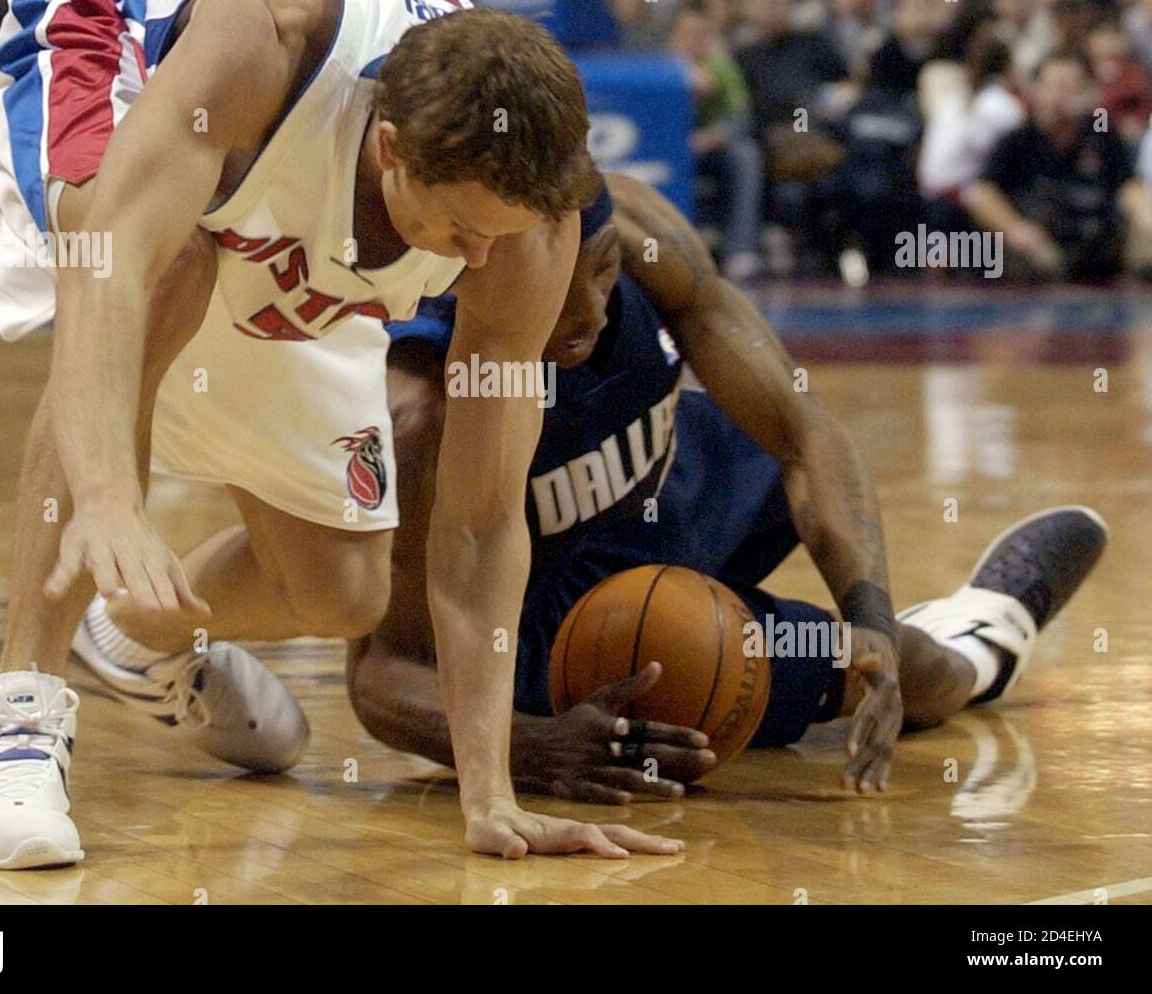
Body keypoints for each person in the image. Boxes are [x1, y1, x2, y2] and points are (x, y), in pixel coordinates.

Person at [0, 0, 677, 871]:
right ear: (389, 152)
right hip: (112, 48)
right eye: (460, 230)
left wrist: (490, 792)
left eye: (501, 236)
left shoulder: (529, 228)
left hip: (278, 226)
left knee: (341, 589)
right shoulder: (270, 36)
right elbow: (110, 275)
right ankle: (18, 716)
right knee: (165, 257)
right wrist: (103, 496)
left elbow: (483, 520)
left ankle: (128, 634)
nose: (478, 262)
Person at [347, 172, 1109, 798]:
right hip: (569, 617)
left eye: (600, 268)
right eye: (544, 282)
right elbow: (384, 673)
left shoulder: (642, 230)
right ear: (480, 262)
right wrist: (533, 748)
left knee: (875, 637)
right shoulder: (421, 411)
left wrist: (867, 607)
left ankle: (931, 626)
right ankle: (982, 640)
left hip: (673, 474)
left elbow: (803, 429)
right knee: (917, 675)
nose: (583, 306)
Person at [967, 51, 1152, 281]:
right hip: (1043, 242)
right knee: (1038, 266)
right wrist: (1015, 229)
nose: (1063, 95)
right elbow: (983, 193)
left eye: (1073, 86)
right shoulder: (1017, 140)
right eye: (1056, 86)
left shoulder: (1102, 134)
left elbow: (1127, 185)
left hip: (1097, 239)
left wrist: (1145, 215)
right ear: (1036, 90)